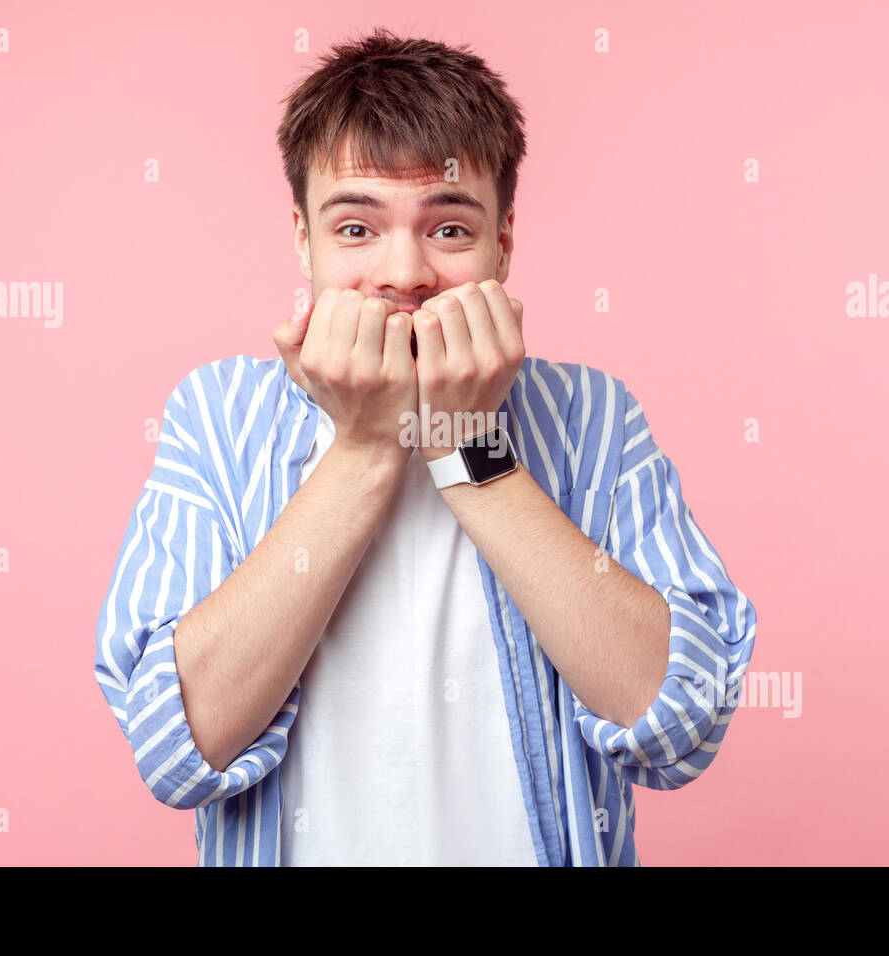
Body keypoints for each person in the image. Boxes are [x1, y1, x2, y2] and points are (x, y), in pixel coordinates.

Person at [94, 27, 758, 866]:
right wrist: (364, 448)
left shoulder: (594, 417)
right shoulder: (216, 416)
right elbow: (175, 748)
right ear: (302, 239)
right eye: (355, 229)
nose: (403, 272)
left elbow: (680, 726)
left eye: (448, 230)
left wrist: (470, 448)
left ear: (502, 244)